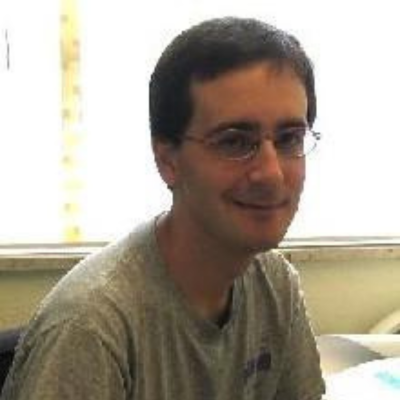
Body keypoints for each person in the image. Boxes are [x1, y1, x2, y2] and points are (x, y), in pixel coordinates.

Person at [1, 16, 325, 400]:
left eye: (289, 139)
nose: (271, 173)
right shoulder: (89, 329)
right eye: (235, 142)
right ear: (167, 160)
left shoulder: (274, 285)